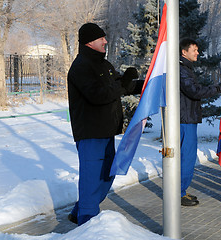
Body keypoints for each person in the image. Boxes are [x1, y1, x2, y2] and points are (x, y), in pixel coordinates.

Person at [67, 23, 143, 225]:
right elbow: (98, 95)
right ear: (89, 42)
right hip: (91, 133)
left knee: (106, 175)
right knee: (92, 177)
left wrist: (147, 83)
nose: (106, 41)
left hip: (106, 131)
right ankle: (87, 221)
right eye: (101, 38)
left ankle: (78, 211)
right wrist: (122, 83)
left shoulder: (104, 65)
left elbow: (123, 86)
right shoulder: (81, 66)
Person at [179, 38, 221, 206]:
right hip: (185, 119)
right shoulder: (181, 69)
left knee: (187, 157)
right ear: (184, 52)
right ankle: (179, 193)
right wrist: (218, 88)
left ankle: (181, 190)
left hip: (187, 118)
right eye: (195, 50)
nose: (198, 53)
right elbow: (194, 91)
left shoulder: (185, 68)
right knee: (187, 157)